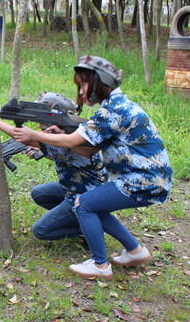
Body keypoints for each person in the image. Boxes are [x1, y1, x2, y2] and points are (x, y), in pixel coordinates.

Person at [13, 56, 172, 281]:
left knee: (84, 204)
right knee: (94, 204)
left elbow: (70, 143)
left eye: (84, 84)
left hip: (140, 180)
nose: (81, 90)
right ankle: (136, 251)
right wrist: (58, 135)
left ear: (100, 83)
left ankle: (100, 265)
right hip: (149, 178)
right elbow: (87, 150)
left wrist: (33, 135)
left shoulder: (113, 111)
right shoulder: (115, 107)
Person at [0, 92, 108, 241]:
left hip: (84, 197)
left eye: (44, 121)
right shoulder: (76, 134)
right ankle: (81, 218)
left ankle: (90, 227)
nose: (40, 125)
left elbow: (25, 138)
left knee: (41, 230)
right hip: (77, 189)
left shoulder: (67, 142)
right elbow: (62, 153)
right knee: (39, 193)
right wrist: (43, 150)